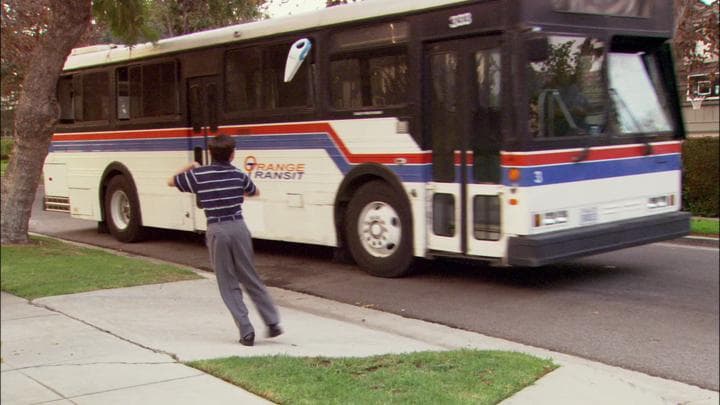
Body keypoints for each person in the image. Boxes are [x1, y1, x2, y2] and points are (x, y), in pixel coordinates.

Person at [167, 134, 282, 346]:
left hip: (216, 228)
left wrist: (190, 165)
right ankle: (272, 321)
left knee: (228, 282)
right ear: (232, 154)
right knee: (250, 276)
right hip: (238, 226)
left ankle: (246, 331)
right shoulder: (237, 175)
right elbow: (254, 192)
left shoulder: (199, 175)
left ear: (210, 153)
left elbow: (171, 181)